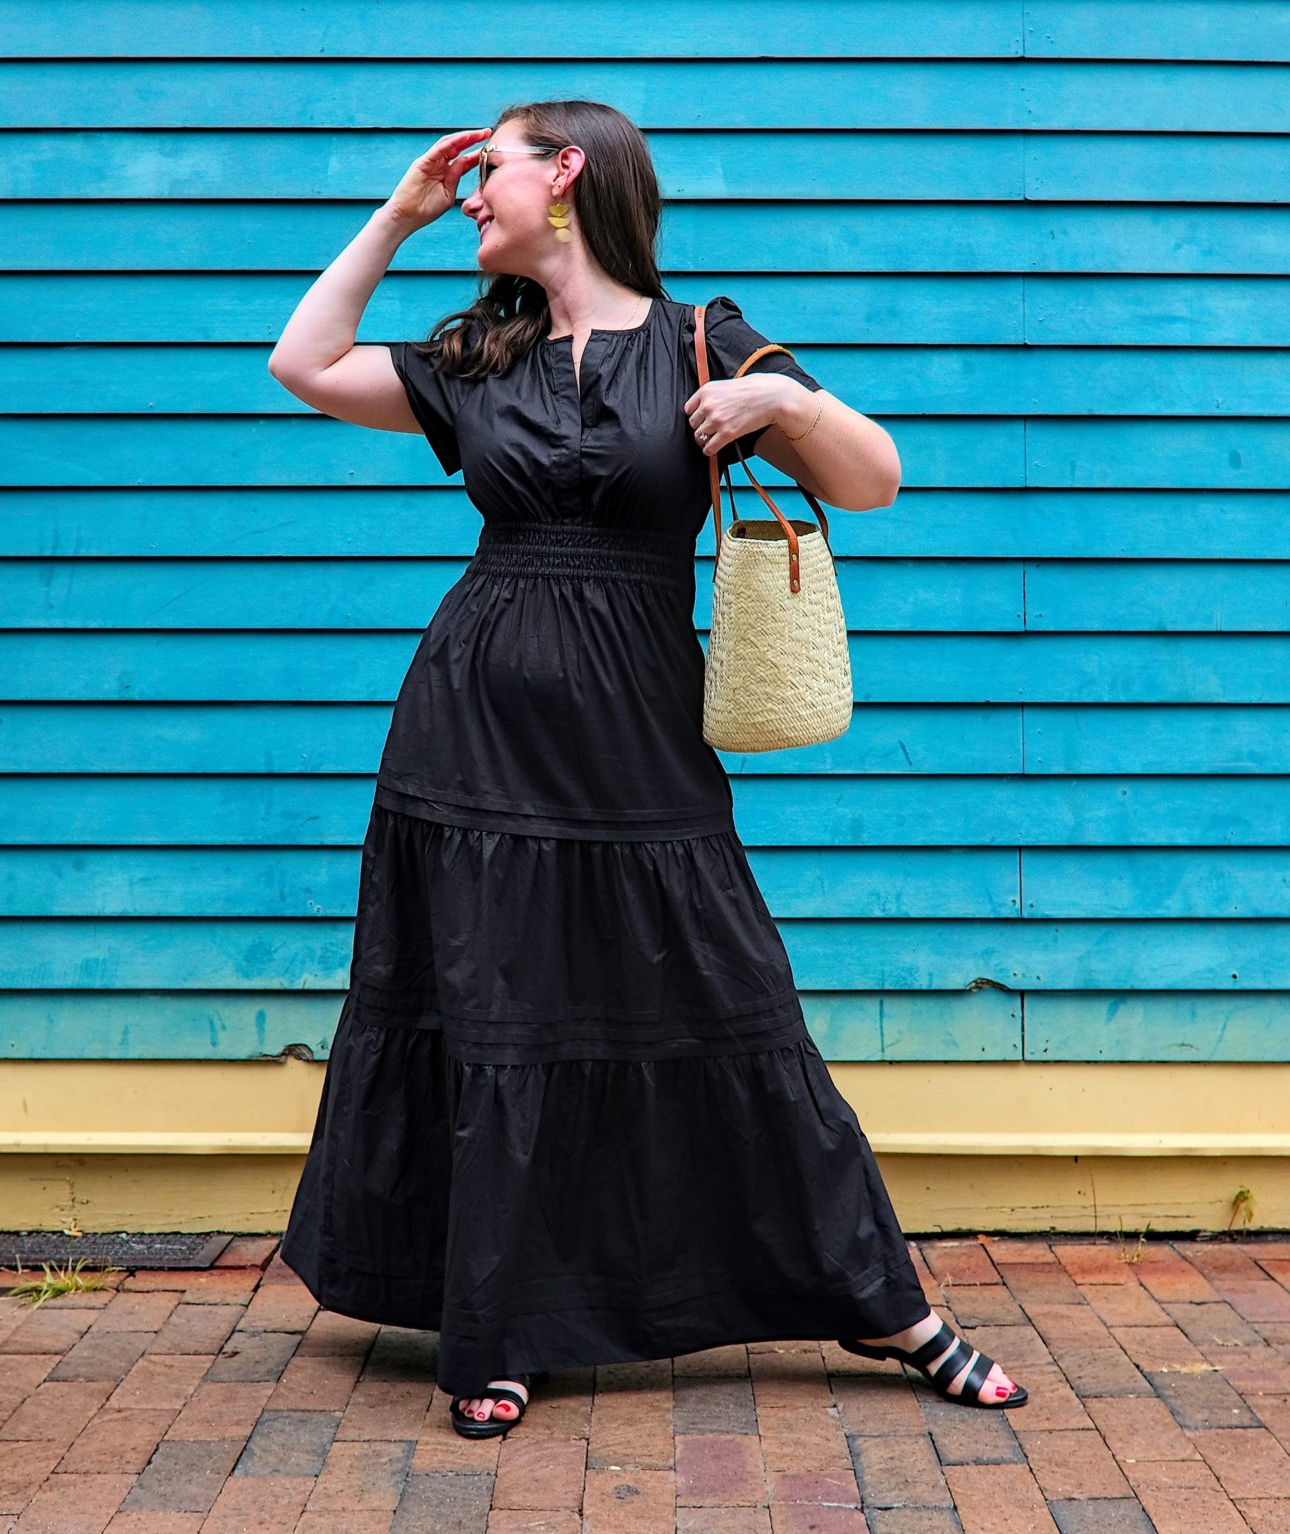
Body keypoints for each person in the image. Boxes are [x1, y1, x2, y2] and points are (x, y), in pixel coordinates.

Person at [270, 98, 1027, 1435]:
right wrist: (394, 214)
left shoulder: (701, 340)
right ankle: (497, 1330)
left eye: (483, 172)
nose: (468, 198)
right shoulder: (475, 354)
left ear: (565, 176)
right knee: (496, 1017)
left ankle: (884, 1305)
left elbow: (875, 481)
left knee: (733, 1001)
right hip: (469, 738)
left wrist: (777, 397)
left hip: (637, 729)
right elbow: (304, 360)